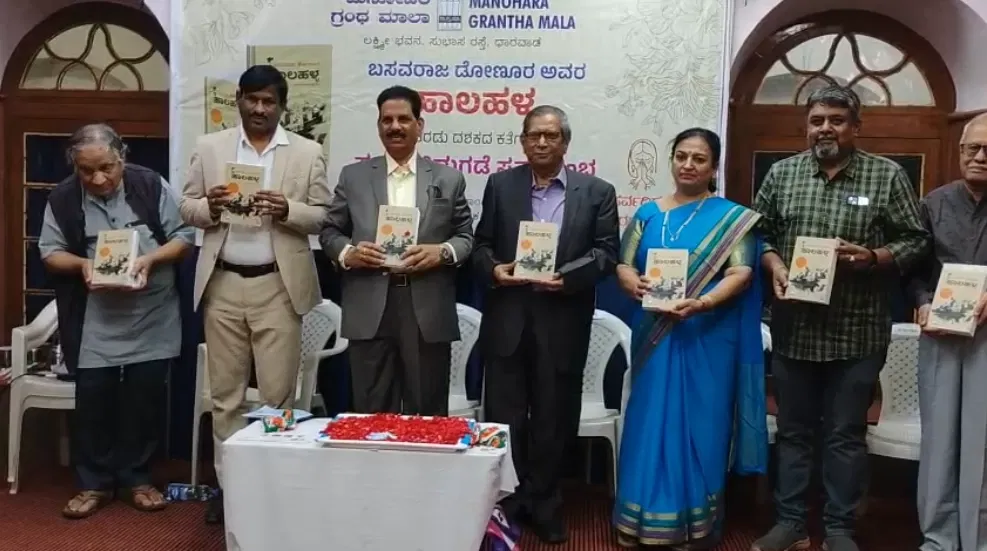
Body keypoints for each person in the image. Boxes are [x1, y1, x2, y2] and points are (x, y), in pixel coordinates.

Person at [752, 86, 930, 551]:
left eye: (836, 120)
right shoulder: (783, 174)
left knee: (845, 435)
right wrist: (774, 263)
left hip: (858, 331)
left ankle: (839, 529)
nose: (825, 129)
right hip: (795, 329)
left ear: (855, 126)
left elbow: (916, 240)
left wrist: (872, 256)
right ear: (807, 126)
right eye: (817, 120)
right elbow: (757, 234)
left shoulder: (886, 176)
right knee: (793, 432)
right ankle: (791, 523)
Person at [180, 65, 330, 525]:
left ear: (282, 106)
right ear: (239, 101)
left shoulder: (306, 152)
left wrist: (288, 210)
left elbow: (324, 216)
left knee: (276, 398)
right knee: (225, 397)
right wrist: (210, 207)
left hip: (278, 286)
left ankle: (271, 486)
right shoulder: (211, 147)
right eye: (252, 99)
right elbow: (186, 206)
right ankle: (230, 490)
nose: (260, 109)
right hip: (223, 283)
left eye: (269, 102)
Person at [613, 128, 767, 550]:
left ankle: (692, 524)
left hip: (707, 336)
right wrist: (631, 281)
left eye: (699, 159)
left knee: (703, 423)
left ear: (714, 166)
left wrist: (702, 302)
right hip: (655, 336)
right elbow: (623, 264)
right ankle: (638, 518)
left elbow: (742, 272)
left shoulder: (732, 219)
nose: (688, 165)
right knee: (649, 420)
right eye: (681, 156)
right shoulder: (647, 214)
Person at [473, 104, 620, 544]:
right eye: (534, 135)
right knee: (506, 417)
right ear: (522, 141)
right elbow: (481, 245)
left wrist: (567, 277)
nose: (541, 142)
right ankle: (508, 501)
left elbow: (606, 253)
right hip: (509, 320)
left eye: (551, 136)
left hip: (563, 320)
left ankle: (546, 503)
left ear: (565, 143)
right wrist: (494, 269)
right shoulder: (500, 185)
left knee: (555, 419)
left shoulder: (597, 192)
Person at [39, 123, 194, 518]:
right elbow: (50, 252)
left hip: (152, 311)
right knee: (93, 399)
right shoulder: (63, 197)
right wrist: (83, 265)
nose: (98, 179)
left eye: (106, 168)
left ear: (122, 156)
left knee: (145, 397)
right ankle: (93, 484)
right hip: (97, 315)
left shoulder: (149, 185)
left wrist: (150, 260)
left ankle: (137, 479)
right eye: (86, 171)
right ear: (74, 167)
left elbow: (183, 237)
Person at [320, 85, 473, 416]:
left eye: (404, 119)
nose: (395, 126)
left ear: (420, 125)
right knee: (372, 414)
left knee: (427, 414)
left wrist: (443, 252)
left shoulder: (448, 178)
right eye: (386, 120)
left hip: (426, 308)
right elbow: (330, 232)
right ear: (378, 126)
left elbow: (465, 237)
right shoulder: (354, 176)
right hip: (369, 304)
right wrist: (348, 253)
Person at [911, 112, 987, 551]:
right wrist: (923, 303)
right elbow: (914, 269)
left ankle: (979, 539)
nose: (980, 156)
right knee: (940, 438)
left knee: (982, 438)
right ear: (960, 152)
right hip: (940, 331)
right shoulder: (933, 204)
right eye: (972, 148)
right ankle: (938, 539)